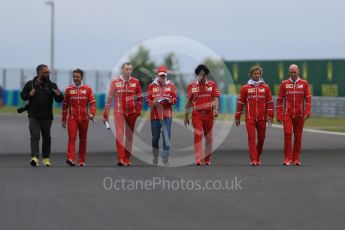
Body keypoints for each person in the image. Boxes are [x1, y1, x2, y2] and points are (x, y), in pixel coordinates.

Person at [20, 64, 63, 167]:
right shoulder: (30, 84)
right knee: (35, 136)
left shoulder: (52, 85)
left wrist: (58, 95)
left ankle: (46, 158)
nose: (48, 74)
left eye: (48, 72)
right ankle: (34, 158)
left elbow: (60, 99)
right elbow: (23, 96)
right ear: (39, 73)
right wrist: (29, 94)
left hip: (47, 116)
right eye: (45, 72)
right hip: (33, 115)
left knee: (47, 137)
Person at [103, 63, 143, 166]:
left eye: (130, 69)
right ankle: (120, 158)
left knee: (129, 136)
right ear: (122, 70)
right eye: (126, 69)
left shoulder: (136, 82)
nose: (128, 71)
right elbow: (109, 99)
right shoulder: (115, 82)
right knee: (119, 135)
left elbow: (140, 98)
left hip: (132, 112)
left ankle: (127, 158)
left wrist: (138, 110)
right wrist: (105, 114)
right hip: (119, 111)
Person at [235, 65, 274, 166]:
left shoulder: (266, 87)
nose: (256, 75)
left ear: (260, 75)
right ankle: (253, 159)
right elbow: (240, 103)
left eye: (258, 74)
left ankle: (257, 156)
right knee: (251, 138)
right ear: (251, 75)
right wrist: (237, 116)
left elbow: (270, 102)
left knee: (261, 138)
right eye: (254, 74)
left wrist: (270, 115)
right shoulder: (245, 88)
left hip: (262, 118)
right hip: (250, 118)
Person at [184, 64, 220, 166]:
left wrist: (216, 110)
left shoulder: (212, 85)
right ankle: (198, 159)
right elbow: (189, 102)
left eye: (203, 76)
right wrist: (186, 116)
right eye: (199, 75)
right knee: (198, 135)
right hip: (197, 114)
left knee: (209, 138)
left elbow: (215, 98)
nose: (201, 78)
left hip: (209, 114)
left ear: (206, 75)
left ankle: (207, 159)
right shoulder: (192, 86)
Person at [276, 64, 312, 166]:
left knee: (298, 136)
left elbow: (308, 99)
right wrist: (279, 114)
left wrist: (307, 112)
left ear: (298, 72)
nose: (292, 74)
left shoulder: (304, 83)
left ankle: (296, 158)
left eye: (294, 72)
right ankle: (287, 158)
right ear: (289, 72)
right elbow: (279, 100)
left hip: (300, 115)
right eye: (291, 72)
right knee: (287, 133)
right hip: (287, 114)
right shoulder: (284, 84)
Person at [62, 68, 96, 167]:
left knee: (83, 139)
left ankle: (81, 160)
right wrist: (64, 119)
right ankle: (70, 158)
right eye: (74, 76)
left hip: (84, 118)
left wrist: (92, 113)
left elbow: (93, 103)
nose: (75, 78)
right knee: (72, 138)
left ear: (82, 77)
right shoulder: (68, 89)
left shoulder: (88, 89)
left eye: (77, 77)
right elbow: (65, 105)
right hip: (73, 118)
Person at [146, 66, 177, 166]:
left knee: (166, 137)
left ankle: (165, 159)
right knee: (155, 138)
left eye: (164, 75)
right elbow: (147, 100)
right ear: (157, 75)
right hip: (155, 116)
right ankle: (155, 156)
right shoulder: (151, 86)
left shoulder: (171, 85)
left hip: (167, 115)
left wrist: (169, 100)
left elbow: (175, 99)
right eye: (161, 75)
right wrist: (153, 102)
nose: (163, 77)